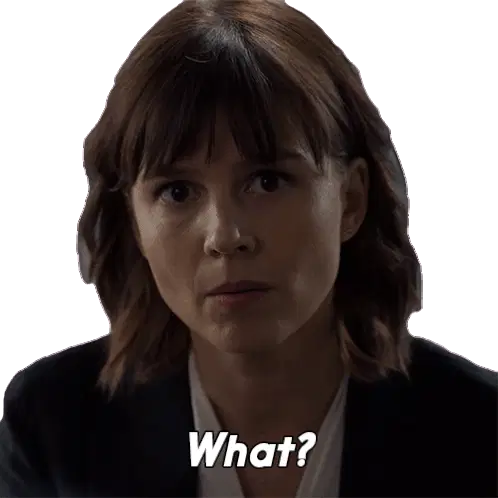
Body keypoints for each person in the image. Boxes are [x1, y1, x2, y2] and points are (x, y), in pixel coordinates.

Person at [1, 0, 496, 496]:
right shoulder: (54, 425)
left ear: (350, 200)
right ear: (134, 220)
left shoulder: (479, 432)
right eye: (177, 191)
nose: (225, 237)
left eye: (267, 181)